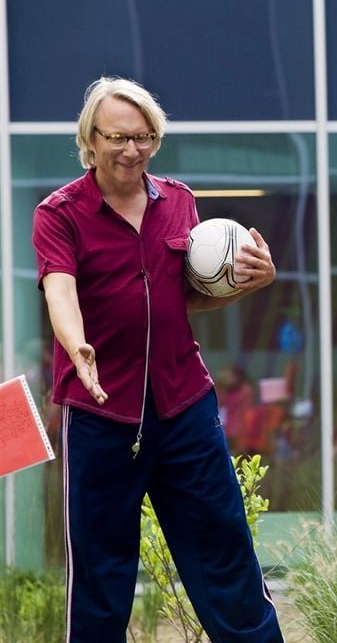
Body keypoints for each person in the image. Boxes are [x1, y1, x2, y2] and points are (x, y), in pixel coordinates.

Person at [32, 76, 283, 643]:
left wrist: (251, 284)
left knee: (227, 558)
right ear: (90, 140)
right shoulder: (60, 213)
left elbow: (190, 296)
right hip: (100, 414)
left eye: (144, 137)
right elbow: (59, 289)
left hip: (183, 407)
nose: (132, 150)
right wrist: (77, 346)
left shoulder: (180, 201)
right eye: (119, 138)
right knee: (101, 578)